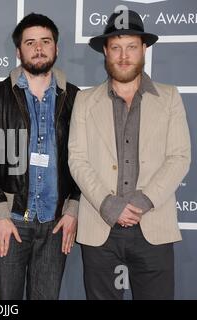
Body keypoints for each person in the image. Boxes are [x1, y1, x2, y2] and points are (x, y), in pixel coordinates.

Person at [68, 9, 191, 300]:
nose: (124, 56)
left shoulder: (170, 97)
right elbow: (77, 159)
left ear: (144, 49)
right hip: (100, 225)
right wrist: (110, 205)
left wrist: (141, 202)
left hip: (153, 224)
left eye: (131, 47)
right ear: (105, 53)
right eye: (116, 48)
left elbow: (179, 157)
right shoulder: (84, 101)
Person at [0, 13, 80, 300]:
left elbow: (82, 159)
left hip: (55, 222)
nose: (38, 48)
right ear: (18, 51)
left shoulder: (75, 97)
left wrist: (73, 209)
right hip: (11, 221)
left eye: (45, 41)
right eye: (30, 42)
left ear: (56, 48)